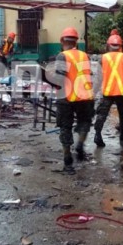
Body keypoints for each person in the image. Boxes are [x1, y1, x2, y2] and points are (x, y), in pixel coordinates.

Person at [53, 27, 94, 172]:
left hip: (66, 97)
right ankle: (80, 144)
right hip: (85, 96)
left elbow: (59, 78)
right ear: (76, 41)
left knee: (65, 127)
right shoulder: (85, 55)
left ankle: (67, 160)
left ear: (62, 40)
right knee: (84, 122)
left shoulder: (62, 56)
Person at [93, 34, 123, 147]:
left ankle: (97, 134)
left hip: (107, 92)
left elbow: (98, 76)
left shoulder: (102, 58)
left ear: (108, 45)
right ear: (120, 46)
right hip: (121, 91)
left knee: (102, 114)